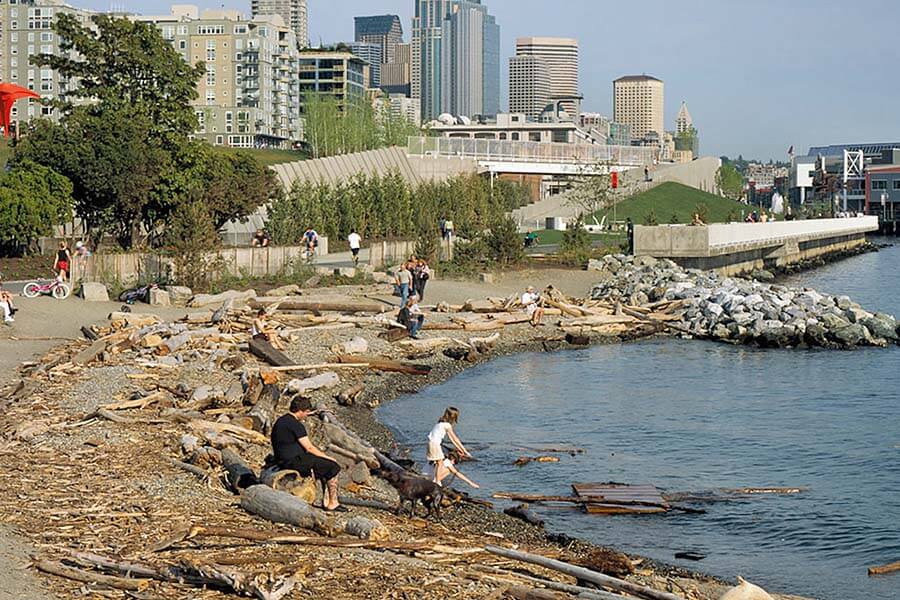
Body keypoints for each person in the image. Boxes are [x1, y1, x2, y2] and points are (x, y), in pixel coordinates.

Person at [270, 397, 347, 512]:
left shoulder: (281, 421)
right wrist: (328, 457)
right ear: (300, 410)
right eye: (306, 412)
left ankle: (324, 499)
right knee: (333, 466)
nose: (306, 415)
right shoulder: (296, 425)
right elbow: (309, 447)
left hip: (281, 459)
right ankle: (332, 503)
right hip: (294, 461)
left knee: (321, 463)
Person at [426, 407, 472, 486]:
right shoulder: (447, 425)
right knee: (440, 463)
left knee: (438, 462)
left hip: (430, 443)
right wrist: (465, 451)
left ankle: (436, 480)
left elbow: (452, 440)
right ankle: (437, 482)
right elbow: (455, 439)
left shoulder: (440, 423)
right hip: (435, 444)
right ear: (453, 417)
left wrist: (460, 449)